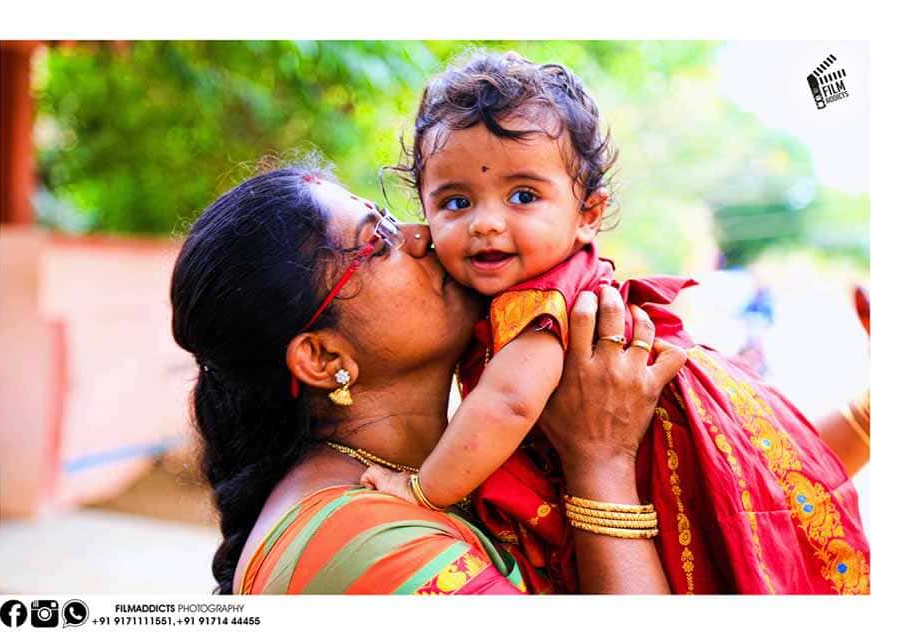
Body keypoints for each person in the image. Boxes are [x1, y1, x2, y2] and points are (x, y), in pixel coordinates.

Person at [363, 52, 870, 594]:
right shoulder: (539, 283)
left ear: (588, 214)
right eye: (456, 201)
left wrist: (422, 491)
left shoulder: (544, 302)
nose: (486, 223)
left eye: (524, 196)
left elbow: (507, 404)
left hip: (664, 457)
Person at [170, 161, 687, 594]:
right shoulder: (361, 540)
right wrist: (601, 460)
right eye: (380, 243)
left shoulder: (451, 476)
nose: (423, 237)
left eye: (396, 220)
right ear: (324, 359)